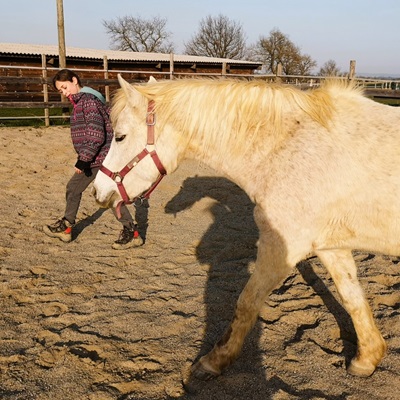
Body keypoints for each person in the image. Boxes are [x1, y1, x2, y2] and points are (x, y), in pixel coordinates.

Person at [43, 69, 142, 250]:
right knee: (105, 194)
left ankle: (66, 227)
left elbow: (96, 135)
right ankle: (132, 232)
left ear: (74, 80)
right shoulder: (86, 100)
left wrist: (84, 160)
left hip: (97, 158)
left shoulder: (87, 102)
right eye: (60, 91)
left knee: (76, 189)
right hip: (98, 156)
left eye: (65, 87)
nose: (65, 93)